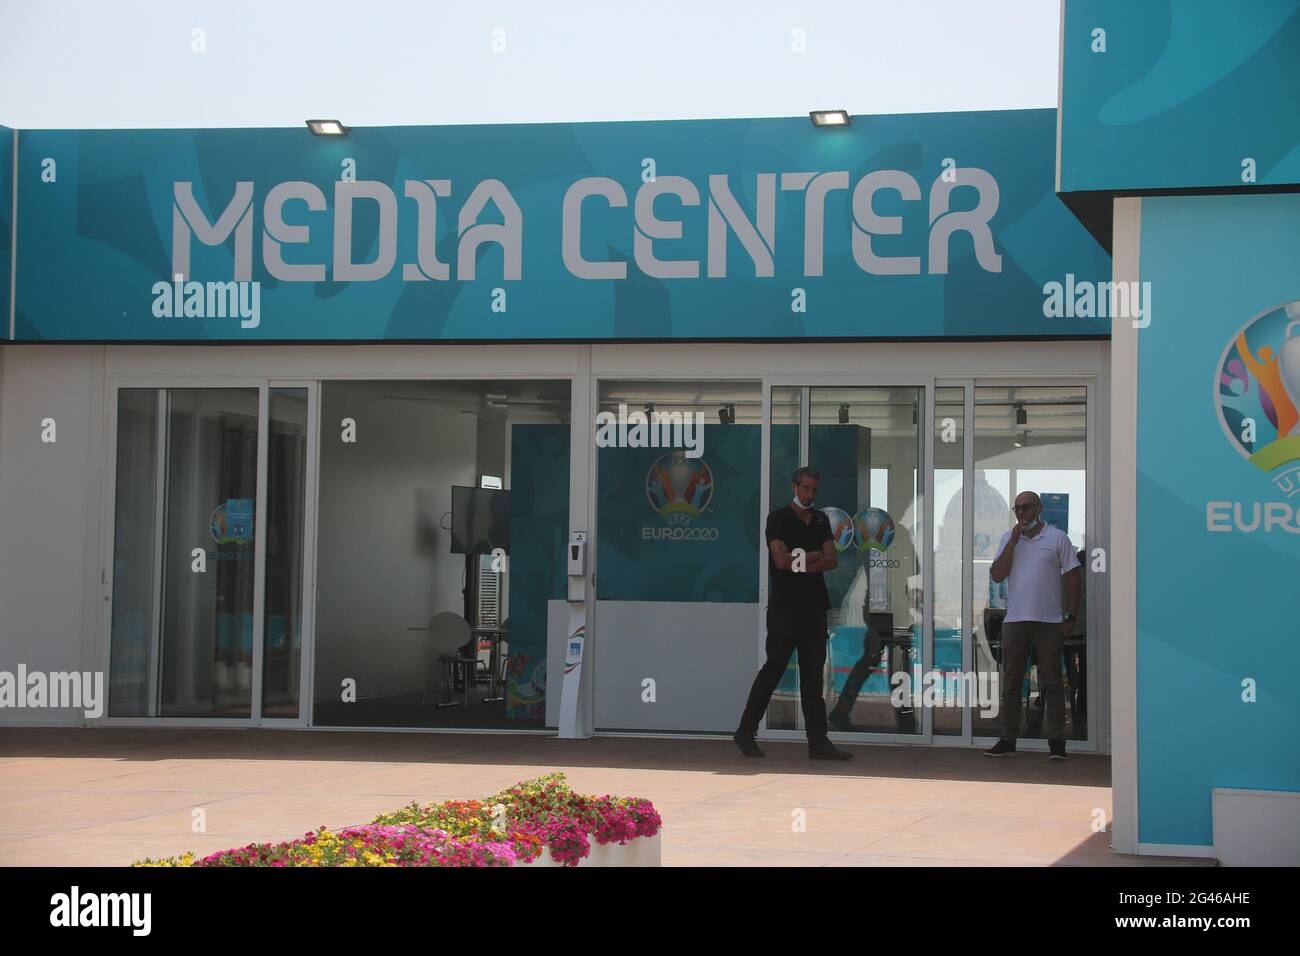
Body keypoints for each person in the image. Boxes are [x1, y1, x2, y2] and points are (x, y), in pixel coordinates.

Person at [734, 467, 853, 760]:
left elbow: (832, 560)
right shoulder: (778, 518)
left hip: (814, 608)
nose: (810, 495)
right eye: (806, 489)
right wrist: (812, 555)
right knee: (773, 670)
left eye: (814, 490)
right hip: (785, 608)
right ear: (794, 487)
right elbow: (782, 561)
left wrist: (802, 556)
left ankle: (818, 742)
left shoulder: (821, 519)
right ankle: (745, 732)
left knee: (813, 677)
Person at [984, 491, 1081, 760]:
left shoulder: (1057, 538)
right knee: (1012, 681)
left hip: (1049, 621)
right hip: (1015, 619)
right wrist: (1013, 542)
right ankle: (1008, 738)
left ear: (1039, 509)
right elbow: (997, 574)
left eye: (1026, 507)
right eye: (1016, 508)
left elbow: (1074, 576)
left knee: (1052, 681)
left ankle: (1057, 741)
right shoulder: (1008, 538)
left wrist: (1071, 616)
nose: (1021, 512)